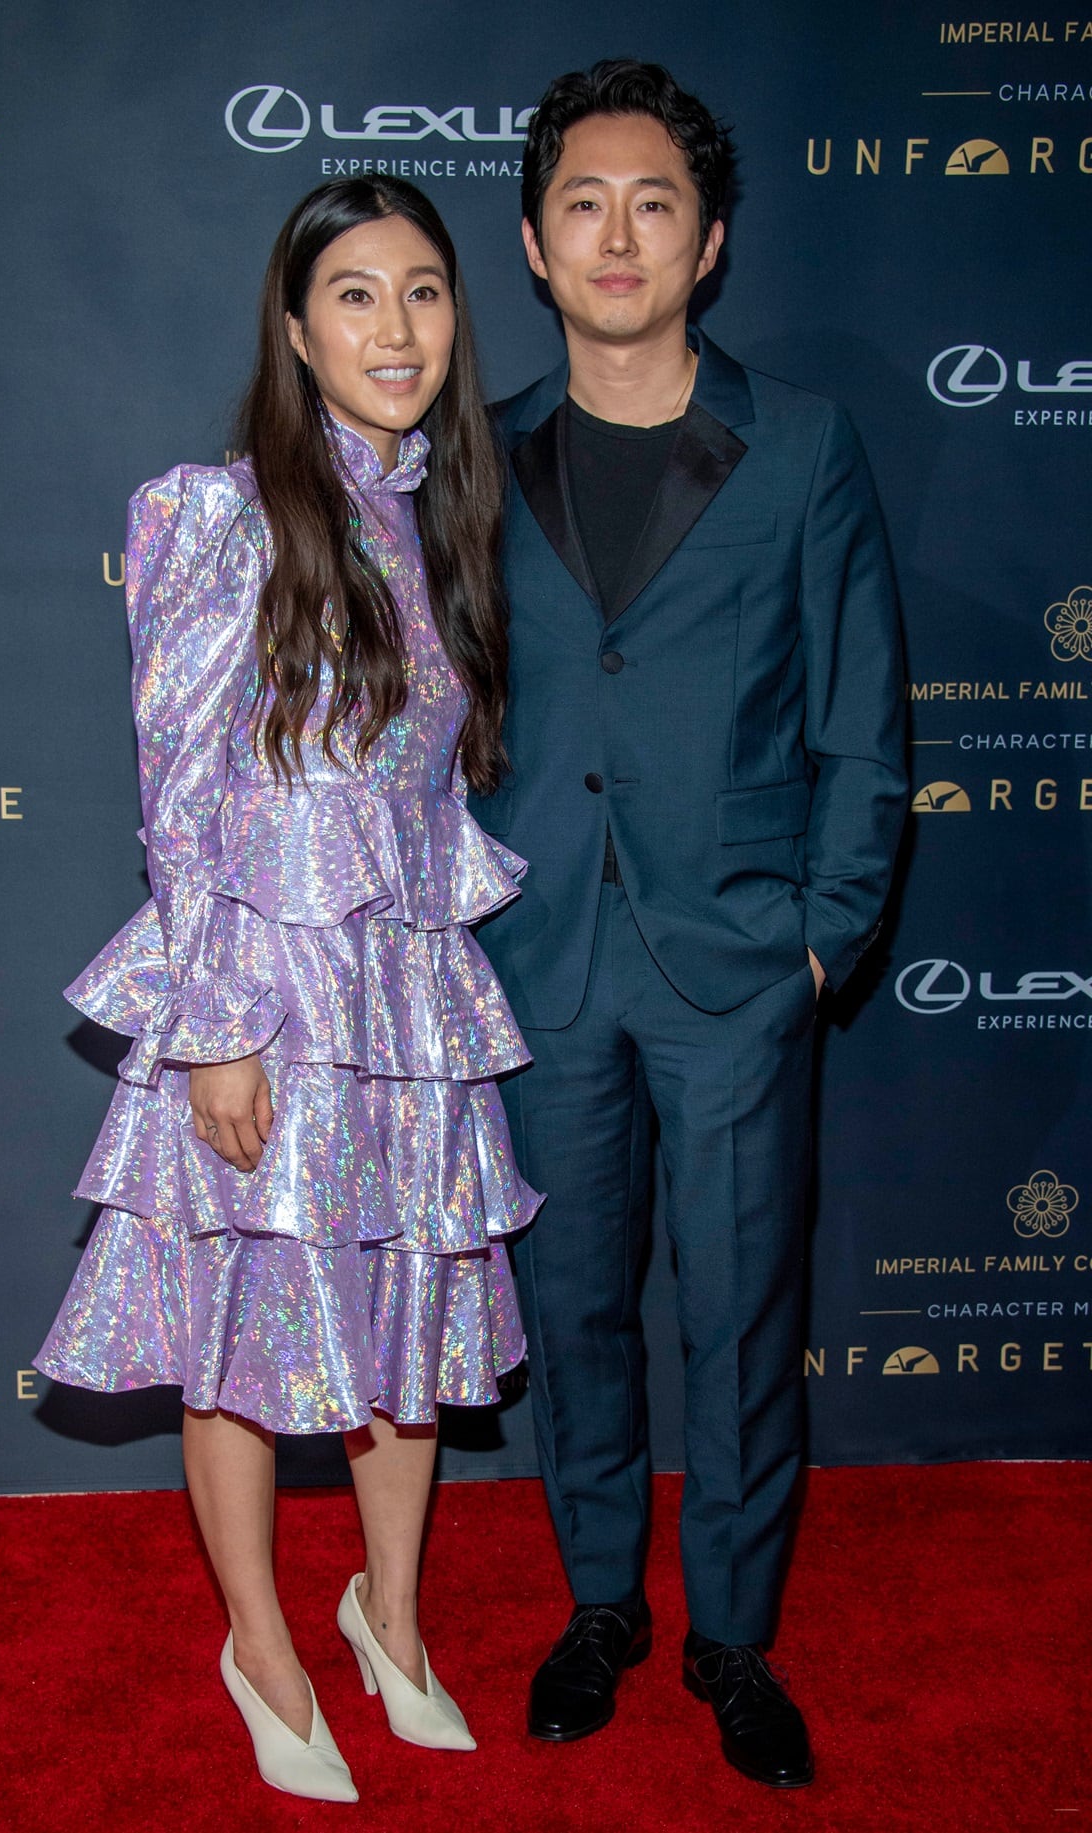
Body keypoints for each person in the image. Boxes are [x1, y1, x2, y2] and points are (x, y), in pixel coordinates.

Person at [36, 176, 540, 1805]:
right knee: (242, 1339)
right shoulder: (214, 509)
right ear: (296, 324)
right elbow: (181, 796)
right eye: (355, 296)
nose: (394, 328)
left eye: (423, 294)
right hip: (264, 997)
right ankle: (261, 1641)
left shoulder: (448, 512)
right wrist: (218, 1031)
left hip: (406, 1006)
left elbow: (427, 790)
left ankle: (389, 1612)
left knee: (409, 1321)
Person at [468, 60, 907, 1789]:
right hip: (545, 961)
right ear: (534, 240)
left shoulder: (802, 444)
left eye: (655, 201)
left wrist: (823, 943)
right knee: (573, 1309)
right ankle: (601, 1608)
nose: (620, 231)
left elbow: (867, 724)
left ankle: (729, 1632)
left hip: (736, 972)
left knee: (736, 1314)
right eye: (585, 200)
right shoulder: (478, 461)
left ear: (709, 240)